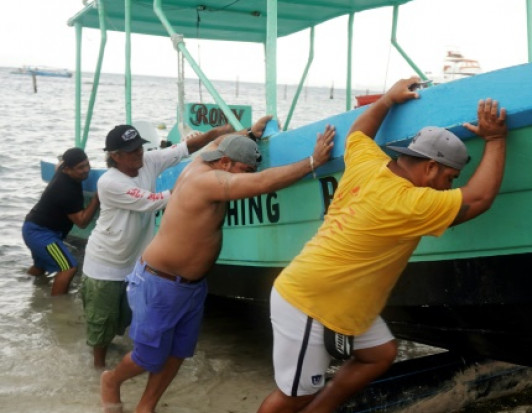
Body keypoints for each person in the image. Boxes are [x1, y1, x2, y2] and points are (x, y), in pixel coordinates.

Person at [257, 77, 508, 413]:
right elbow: (479, 199)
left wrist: (387, 99)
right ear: (431, 167)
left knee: (380, 354)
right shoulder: (410, 203)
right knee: (294, 395)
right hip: (309, 302)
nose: (449, 188)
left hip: (334, 294)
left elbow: (358, 133)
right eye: (449, 179)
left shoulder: (368, 164)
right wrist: (495, 138)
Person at [99, 123, 336, 413]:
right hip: (160, 283)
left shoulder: (211, 157)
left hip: (191, 285)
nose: (246, 176)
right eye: (243, 170)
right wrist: (313, 162)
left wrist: (250, 134)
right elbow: (263, 183)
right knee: (148, 357)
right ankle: (111, 380)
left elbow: (221, 140)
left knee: (176, 353)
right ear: (224, 162)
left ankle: (146, 407)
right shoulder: (206, 180)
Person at [81, 120, 244, 368]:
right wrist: (196, 182)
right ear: (115, 156)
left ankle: (119, 363)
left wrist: (221, 134)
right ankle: (97, 372)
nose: (139, 153)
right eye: (132, 151)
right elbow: (156, 201)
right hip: (104, 265)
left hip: (133, 264)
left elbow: (183, 148)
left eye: (140, 147)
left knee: (123, 323)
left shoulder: (147, 161)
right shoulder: (109, 182)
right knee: (101, 327)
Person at [22, 147, 100, 296]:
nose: (86, 170)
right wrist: (96, 199)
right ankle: (58, 309)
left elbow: (59, 164)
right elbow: (82, 222)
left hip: (32, 228)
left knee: (40, 267)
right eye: (80, 168)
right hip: (41, 234)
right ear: (67, 169)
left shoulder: (62, 170)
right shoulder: (65, 190)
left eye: (87, 165)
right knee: (69, 267)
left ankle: (24, 288)